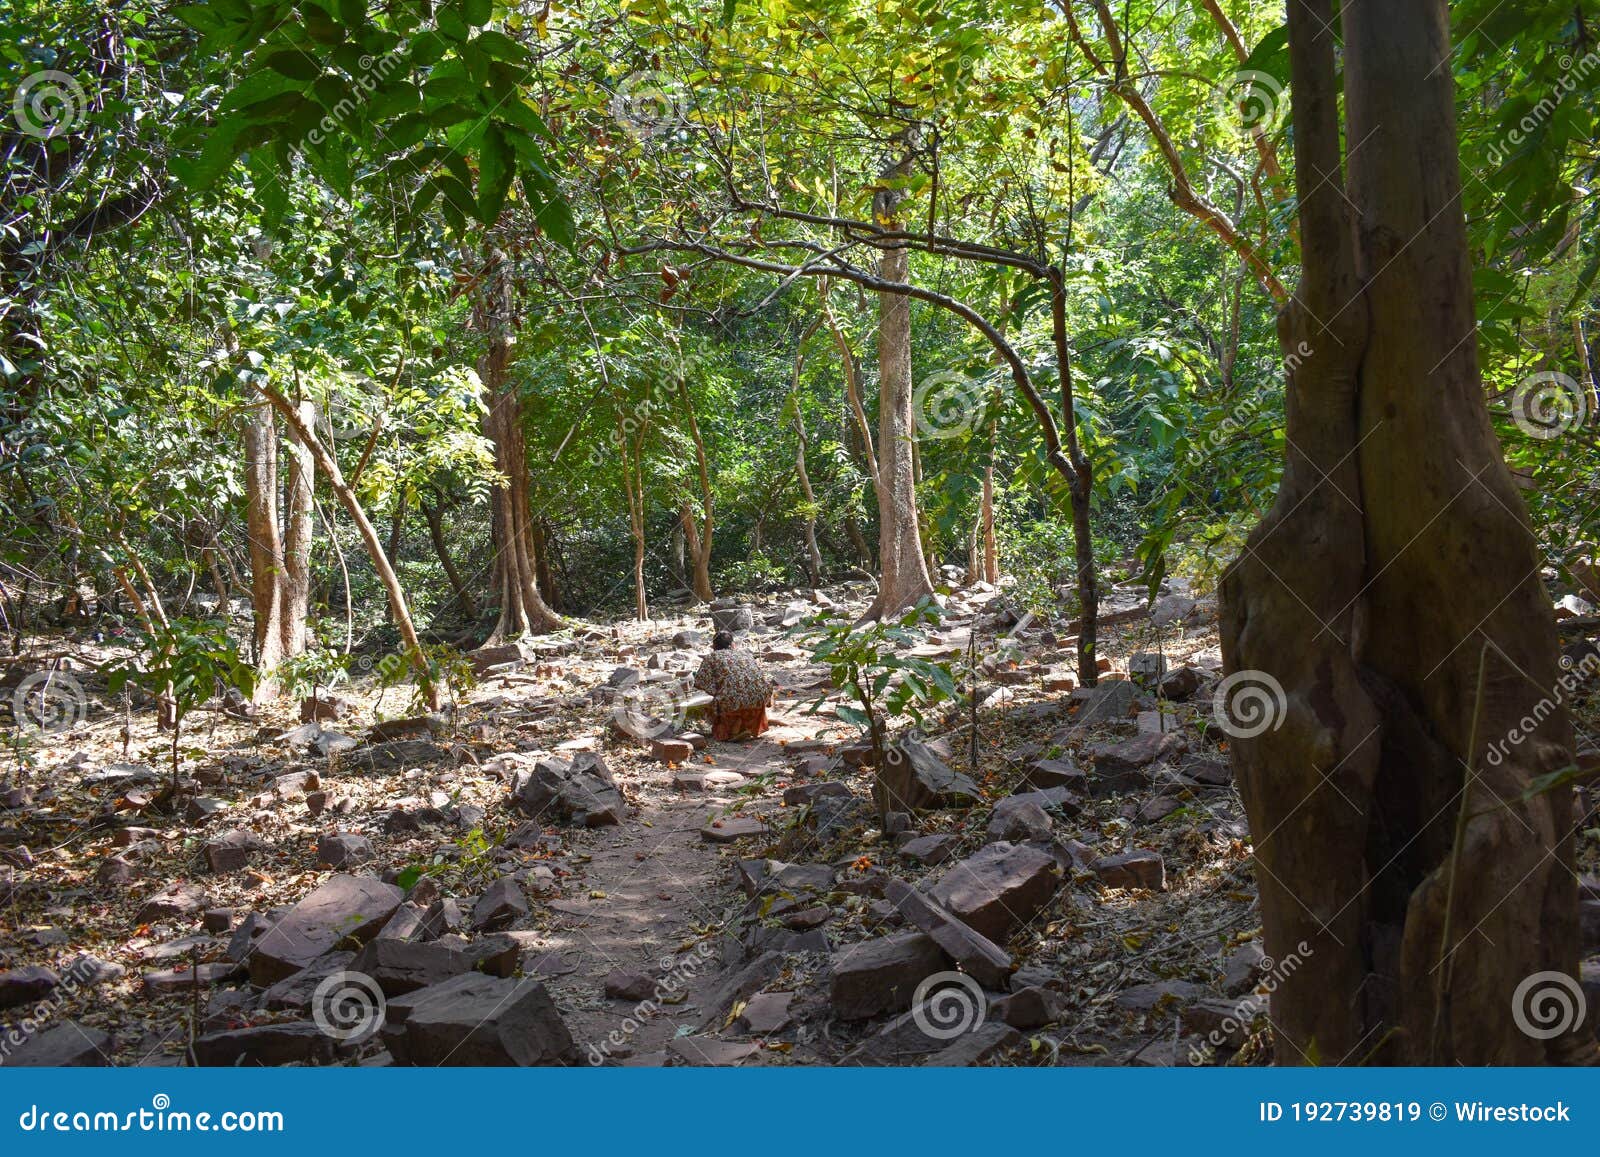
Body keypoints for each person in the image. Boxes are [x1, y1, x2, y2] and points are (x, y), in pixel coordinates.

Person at [692, 629, 773, 741]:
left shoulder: (711, 657)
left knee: (721, 700)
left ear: (714, 646)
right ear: (732, 644)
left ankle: (734, 730)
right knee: (745, 695)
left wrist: (716, 692)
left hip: (733, 702)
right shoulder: (745, 654)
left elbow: (700, 683)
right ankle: (747, 726)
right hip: (761, 698)